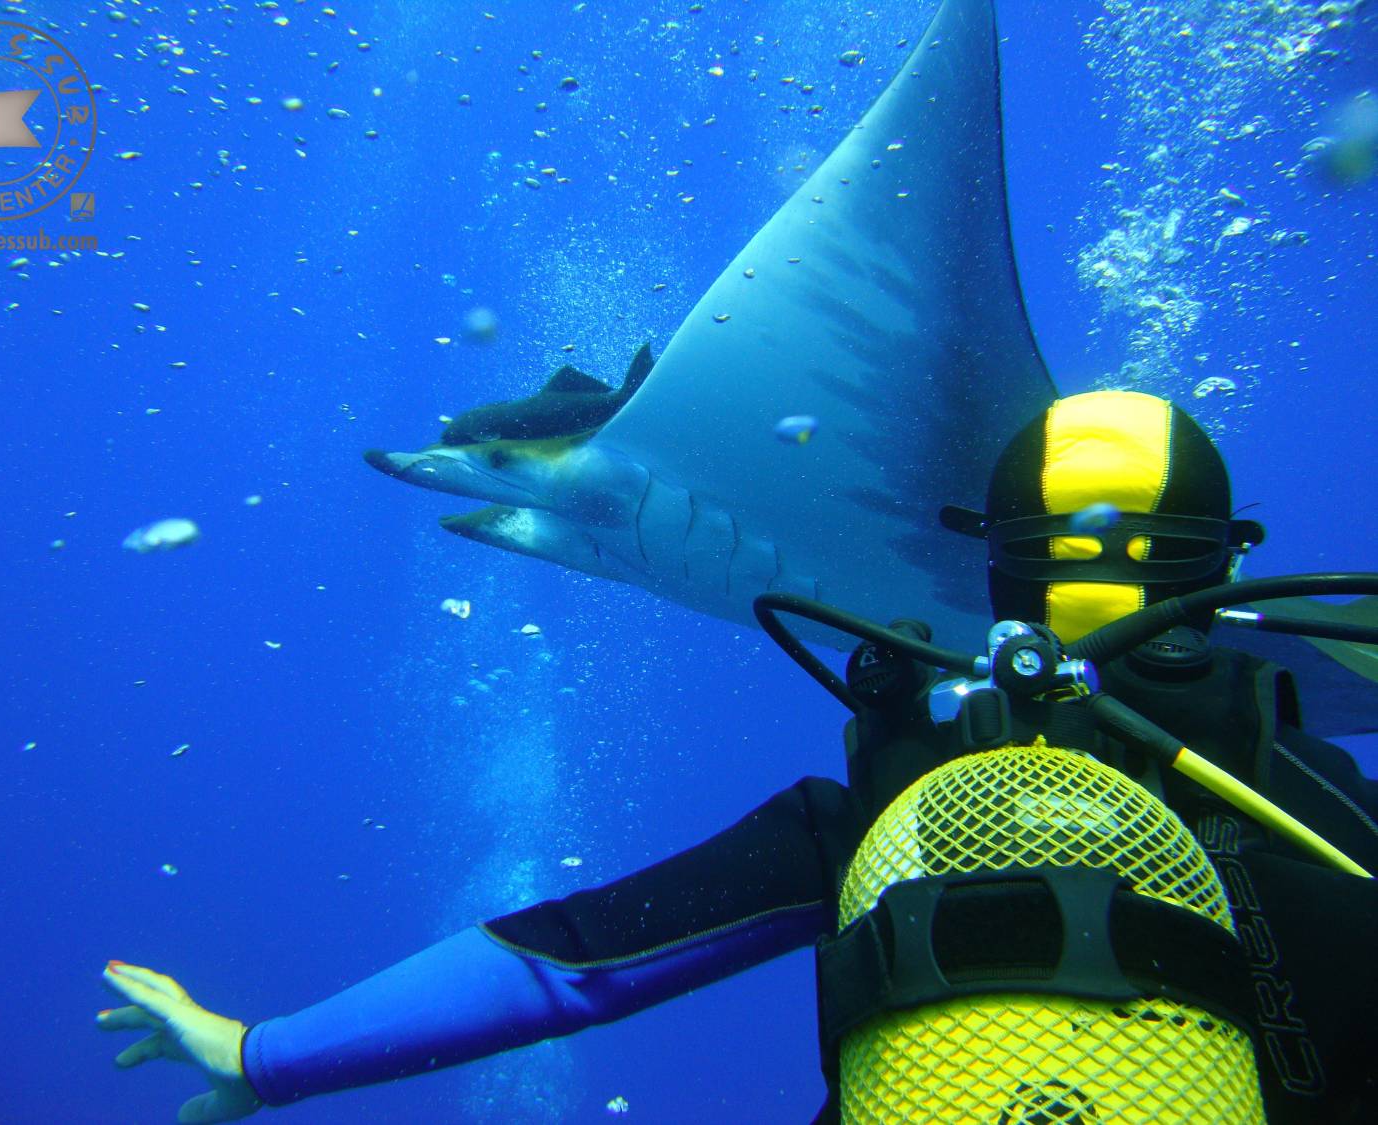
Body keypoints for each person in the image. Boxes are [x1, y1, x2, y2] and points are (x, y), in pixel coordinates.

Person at [99, 391, 1378, 1124]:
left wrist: (255, 1052)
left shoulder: (899, 803)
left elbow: (574, 963)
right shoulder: (1320, 800)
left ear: (992, 559)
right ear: (1231, 564)